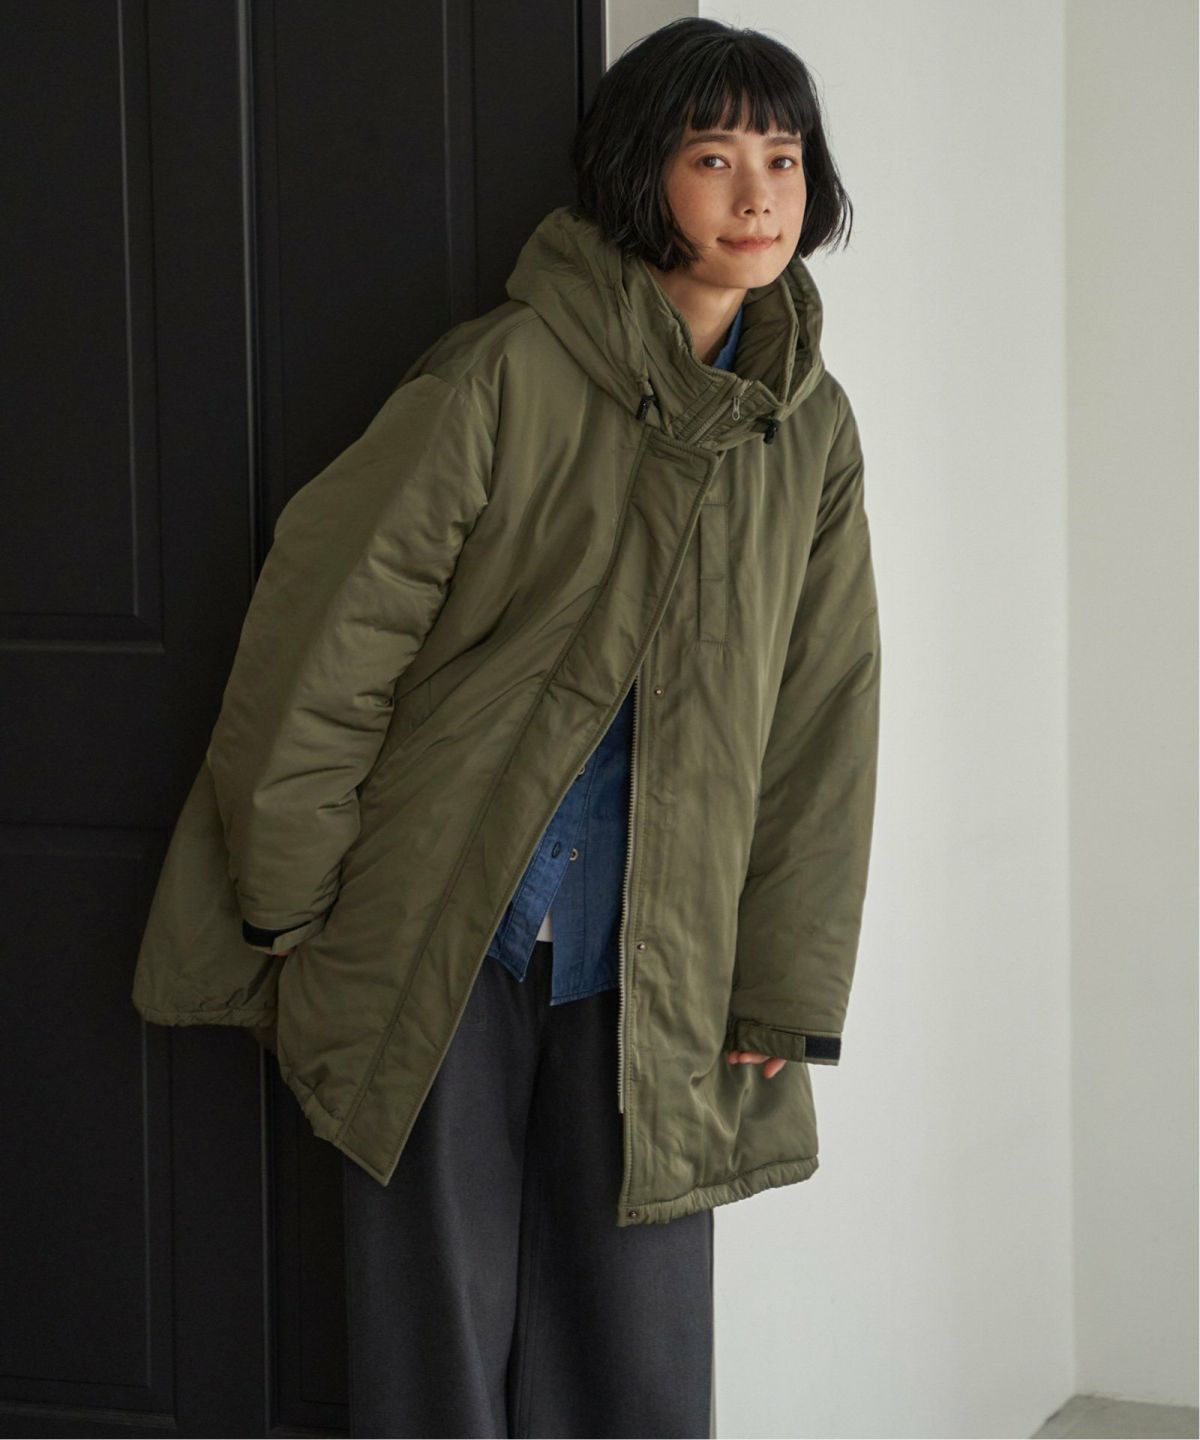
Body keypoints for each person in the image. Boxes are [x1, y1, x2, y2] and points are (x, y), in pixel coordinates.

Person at [131, 15, 880, 1440]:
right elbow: (326, 633)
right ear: (640, 174)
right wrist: (290, 889)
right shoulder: (505, 373)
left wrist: (783, 981)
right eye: (713, 157)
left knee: (638, 1342)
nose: (757, 195)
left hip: (664, 945)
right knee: (435, 1329)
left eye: (783, 159)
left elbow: (824, 716)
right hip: (446, 918)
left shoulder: (811, 431)